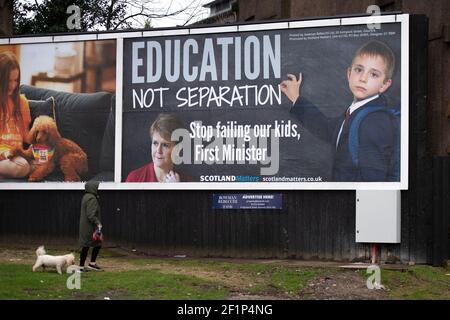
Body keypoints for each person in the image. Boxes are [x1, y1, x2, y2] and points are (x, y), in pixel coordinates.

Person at [280, 40, 396, 182]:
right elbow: (327, 129)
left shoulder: (374, 121)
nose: (363, 78)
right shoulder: (356, 111)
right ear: (349, 73)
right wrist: (296, 98)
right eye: (359, 70)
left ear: (384, 85)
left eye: (374, 74)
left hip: (356, 200)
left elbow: (373, 178)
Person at [125, 113, 190, 182]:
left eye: (165, 145)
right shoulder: (134, 179)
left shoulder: (188, 182)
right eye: (155, 143)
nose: (158, 150)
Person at [0, 52, 31, 179]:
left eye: (16, 80)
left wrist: (39, 144)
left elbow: (26, 138)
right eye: (8, 81)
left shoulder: (22, 102)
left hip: (16, 155)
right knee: (22, 167)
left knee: (41, 164)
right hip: (3, 155)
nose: (13, 85)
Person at [79, 181, 102, 271]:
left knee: (96, 244)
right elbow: (90, 215)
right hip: (90, 227)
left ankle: (91, 264)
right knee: (86, 245)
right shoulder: (92, 198)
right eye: (96, 187)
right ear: (93, 188)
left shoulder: (86, 197)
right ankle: (81, 267)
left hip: (87, 226)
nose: (97, 189)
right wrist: (98, 223)